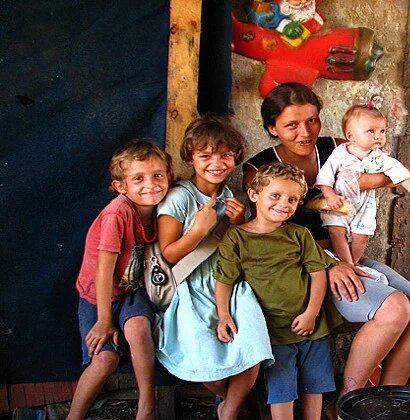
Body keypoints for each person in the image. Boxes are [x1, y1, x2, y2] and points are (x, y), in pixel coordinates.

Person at [242, 82, 410, 402]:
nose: (305, 132)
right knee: (395, 308)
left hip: (344, 254)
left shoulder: (337, 147)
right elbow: (270, 236)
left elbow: (384, 172)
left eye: (312, 120)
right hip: (302, 270)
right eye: (291, 125)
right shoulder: (259, 169)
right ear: (271, 128)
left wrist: (376, 176)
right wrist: (327, 264)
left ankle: (385, 400)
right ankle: (351, 402)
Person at [153, 114, 273, 420]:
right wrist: (196, 231)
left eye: (225, 156)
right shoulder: (179, 198)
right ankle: (227, 399)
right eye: (205, 156)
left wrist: (238, 223)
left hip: (229, 283)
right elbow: (168, 256)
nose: (216, 163)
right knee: (207, 363)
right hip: (189, 286)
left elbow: (237, 249)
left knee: (253, 348)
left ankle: (229, 410)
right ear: (191, 158)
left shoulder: (229, 196)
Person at [215, 162, 343, 420]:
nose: (284, 203)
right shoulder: (236, 238)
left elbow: (317, 274)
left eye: (292, 199)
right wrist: (224, 315)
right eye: (275, 195)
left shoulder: (299, 234)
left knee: (315, 385)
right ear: (253, 195)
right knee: (281, 387)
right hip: (271, 330)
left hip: (311, 326)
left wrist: (312, 313)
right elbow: (225, 280)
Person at [69, 140, 172, 420]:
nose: (150, 184)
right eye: (138, 178)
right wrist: (104, 320)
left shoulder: (163, 209)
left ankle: (146, 407)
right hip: (98, 296)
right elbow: (103, 271)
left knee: (139, 331)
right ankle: (74, 416)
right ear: (121, 187)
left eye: (157, 175)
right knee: (104, 360)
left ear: (169, 176)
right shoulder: (118, 213)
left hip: (132, 291)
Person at [315, 103, 410, 265]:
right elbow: (325, 176)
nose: (378, 136)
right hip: (339, 202)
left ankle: (353, 262)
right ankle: (346, 264)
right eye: (371, 131)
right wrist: (329, 195)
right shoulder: (339, 153)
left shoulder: (380, 157)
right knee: (336, 231)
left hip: (364, 206)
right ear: (351, 136)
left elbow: (400, 171)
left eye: (382, 131)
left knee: (361, 237)